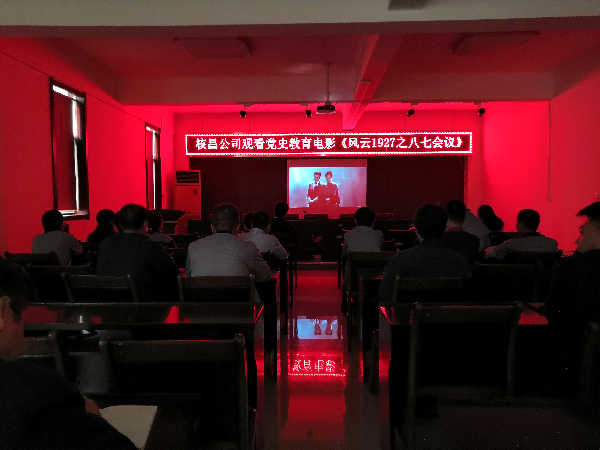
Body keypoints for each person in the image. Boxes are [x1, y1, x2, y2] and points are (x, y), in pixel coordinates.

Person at [0, 257, 136, 450]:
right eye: (20, 315)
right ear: (2, 312)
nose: (23, 326)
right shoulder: (37, 393)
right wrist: (89, 419)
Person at [546, 202, 600, 395]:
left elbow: (556, 318)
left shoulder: (572, 269)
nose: (577, 241)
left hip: (574, 376)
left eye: (582, 233)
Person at [378, 204, 471, 302]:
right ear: (445, 228)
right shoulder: (460, 262)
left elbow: (385, 295)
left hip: (409, 311)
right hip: (448, 311)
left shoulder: (399, 260)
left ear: (416, 229)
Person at [96, 204, 179, 302]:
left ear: (120, 224)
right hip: (142, 305)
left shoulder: (106, 244)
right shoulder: (149, 246)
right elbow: (174, 274)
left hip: (108, 304)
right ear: (145, 224)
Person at [186, 203, 271, 282]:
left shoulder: (193, 247)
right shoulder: (249, 248)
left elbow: (188, 276)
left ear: (212, 227)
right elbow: (265, 276)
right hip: (239, 293)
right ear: (237, 227)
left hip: (202, 294)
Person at [485, 209, 558, 261]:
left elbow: (489, 253)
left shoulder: (511, 245)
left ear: (520, 224)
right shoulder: (552, 244)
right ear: (537, 224)